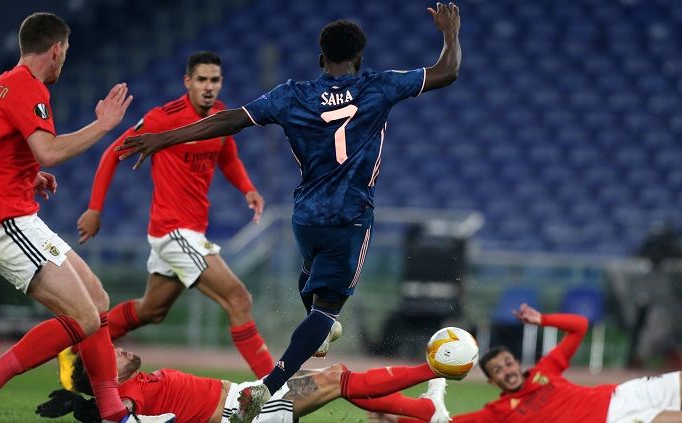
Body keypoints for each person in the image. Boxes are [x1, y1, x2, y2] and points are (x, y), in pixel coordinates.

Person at [116, 4, 461, 422]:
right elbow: (446, 71)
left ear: (321, 59)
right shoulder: (379, 86)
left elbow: (228, 120)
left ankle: (320, 327)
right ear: (360, 59)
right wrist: (450, 34)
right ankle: (269, 385)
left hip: (306, 216)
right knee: (326, 308)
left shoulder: (292, 94)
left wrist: (165, 138)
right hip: (349, 216)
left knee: (314, 295)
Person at [0, 12, 175, 423]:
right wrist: (103, 125)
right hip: (4, 225)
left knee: (99, 301)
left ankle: (111, 413)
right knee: (83, 318)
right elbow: (49, 151)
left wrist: (21, 177)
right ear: (55, 50)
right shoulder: (26, 88)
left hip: (17, 218)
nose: (64, 60)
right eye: (65, 52)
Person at [59, 51, 273, 392]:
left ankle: (74, 346)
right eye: (201, 79)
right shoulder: (164, 118)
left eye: (214, 80)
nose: (208, 87)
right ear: (187, 82)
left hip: (186, 232)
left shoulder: (220, 116)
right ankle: (277, 388)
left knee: (151, 311)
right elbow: (113, 152)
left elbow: (228, 156)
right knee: (239, 299)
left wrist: (248, 189)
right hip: (175, 231)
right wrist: (95, 208)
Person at [36, 347, 452, 423]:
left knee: (335, 378)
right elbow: (121, 417)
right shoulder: (128, 394)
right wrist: (86, 408)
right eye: (115, 354)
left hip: (245, 398)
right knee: (336, 379)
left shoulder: (138, 381)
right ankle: (433, 371)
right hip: (245, 414)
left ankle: (427, 413)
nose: (123, 349)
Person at [443, 303, 682, 423]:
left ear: (516, 362)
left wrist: (544, 319)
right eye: (498, 370)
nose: (507, 371)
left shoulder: (544, 370)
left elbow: (579, 327)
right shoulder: (500, 412)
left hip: (621, 396)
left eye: (507, 363)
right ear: (492, 381)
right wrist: (404, 411)